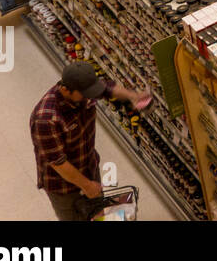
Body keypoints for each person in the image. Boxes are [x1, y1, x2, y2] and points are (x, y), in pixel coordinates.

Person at [30, 60, 150, 221]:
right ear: (65, 90)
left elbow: (107, 89)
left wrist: (133, 96)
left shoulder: (83, 91)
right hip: (63, 186)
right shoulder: (46, 118)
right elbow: (58, 162)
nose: (91, 96)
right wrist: (86, 185)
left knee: (98, 213)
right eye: (85, 93)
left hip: (89, 166)